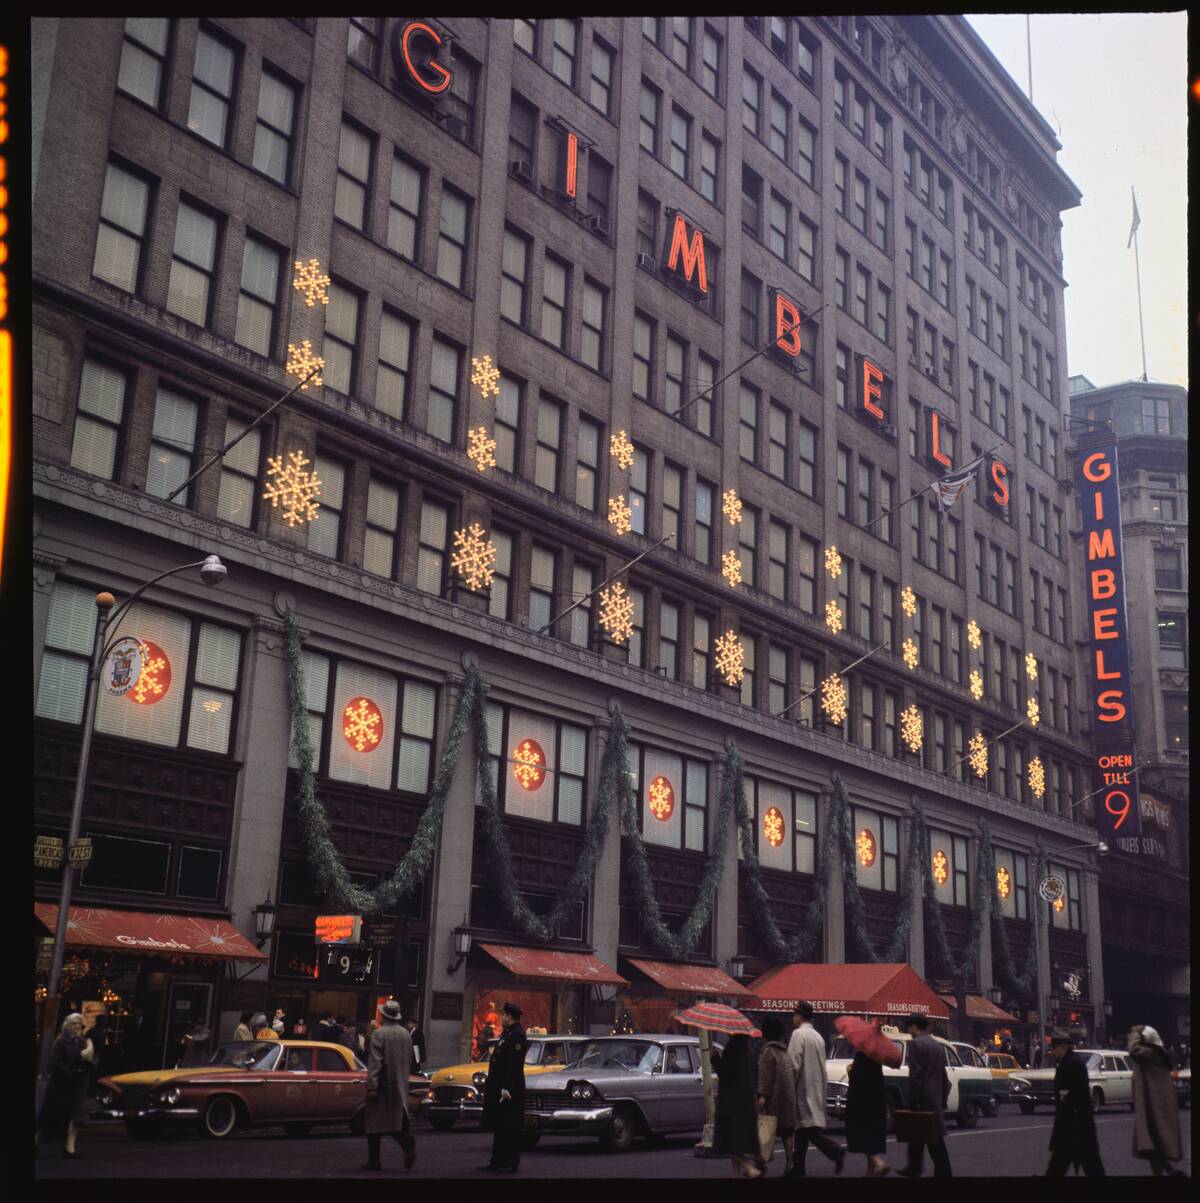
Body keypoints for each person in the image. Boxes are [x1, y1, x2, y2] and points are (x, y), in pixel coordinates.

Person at [786, 1002, 846, 1177]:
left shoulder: (798, 1035)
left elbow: (793, 1064)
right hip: (816, 1087)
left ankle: (835, 1151)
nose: (793, 1017)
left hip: (802, 1088)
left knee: (809, 1128)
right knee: (802, 1129)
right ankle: (798, 1167)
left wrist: (787, 1086)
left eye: (794, 1014)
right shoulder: (818, 1037)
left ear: (800, 1016)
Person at [362, 999, 416, 1172]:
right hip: (400, 1083)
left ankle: (374, 1160)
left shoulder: (379, 1034)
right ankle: (407, 1144)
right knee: (396, 1121)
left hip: (382, 1084)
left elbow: (375, 1062)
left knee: (374, 1125)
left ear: (384, 1015)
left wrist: (372, 1085)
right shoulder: (405, 1034)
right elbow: (410, 1059)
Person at [897, 1013, 952, 1178]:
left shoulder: (916, 1044)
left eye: (909, 1027)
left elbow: (916, 1075)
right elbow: (943, 1075)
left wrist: (914, 1100)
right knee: (920, 1135)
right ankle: (914, 1166)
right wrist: (943, 1097)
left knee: (932, 1138)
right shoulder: (936, 1044)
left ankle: (942, 1172)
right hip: (935, 1096)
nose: (908, 1031)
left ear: (914, 1026)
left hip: (924, 1097)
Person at [1044, 1027, 1105, 1176]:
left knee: (1059, 1167)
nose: (1052, 1052)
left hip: (1075, 1125)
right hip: (1074, 1126)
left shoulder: (1072, 1063)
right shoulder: (1068, 1061)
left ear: (1061, 1047)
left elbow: (1078, 1094)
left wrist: (1065, 1097)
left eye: (1053, 1048)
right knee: (1090, 1167)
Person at [1128, 1024, 1185, 1176]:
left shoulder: (1151, 1053)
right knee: (1155, 1147)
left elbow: (1133, 1050)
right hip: (1156, 1106)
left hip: (1154, 1108)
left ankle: (1170, 1174)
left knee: (1154, 1145)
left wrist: (1135, 1034)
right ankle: (1171, 1172)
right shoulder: (1157, 1053)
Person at [36, 1013, 94, 1158]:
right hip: (61, 1084)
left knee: (76, 1116)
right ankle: (36, 1140)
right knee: (49, 1115)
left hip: (77, 1085)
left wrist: (88, 1063)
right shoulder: (60, 1041)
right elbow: (55, 1063)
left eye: (79, 1023)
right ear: (66, 1025)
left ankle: (70, 1147)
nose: (77, 1026)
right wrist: (71, 1071)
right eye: (74, 1023)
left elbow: (89, 1061)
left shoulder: (83, 1042)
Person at [479, 1002, 527, 1173]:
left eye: (504, 1015)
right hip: (500, 1086)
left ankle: (510, 1161)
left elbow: (514, 1064)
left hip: (509, 1089)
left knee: (510, 1126)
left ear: (510, 1017)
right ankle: (497, 1160)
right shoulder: (508, 1034)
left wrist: (507, 1086)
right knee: (500, 1125)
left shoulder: (517, 1035)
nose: (502, 1018)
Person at [845, 1020, 891, 1177]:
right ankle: (869, 1172)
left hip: (862, 1103)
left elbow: (859, 1080)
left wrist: (850, 1071)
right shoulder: (877, 1056)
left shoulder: (862, 1056)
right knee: (872, 1133)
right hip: (876, 1101)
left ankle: (879, 1163)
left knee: (863, 1134)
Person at [714, 1033, 762, 1178]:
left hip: (731, 1103)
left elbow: (725, 1073)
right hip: (746, 1102)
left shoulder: (732, 1048)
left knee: (728, 1141)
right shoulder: (749, 1048)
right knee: (736, 1142)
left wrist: (714, 1058)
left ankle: (749, 1168)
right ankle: (735, 1175)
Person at [757, 1016, 798, 1175]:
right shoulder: (784, 1051)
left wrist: (762, 1096)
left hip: (774, 1098)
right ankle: (790, 1163)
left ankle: (760, 1163)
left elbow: (765, 1076)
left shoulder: (768, 1051)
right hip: (788, 1097)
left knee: (765, 1129)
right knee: (787, 1131)